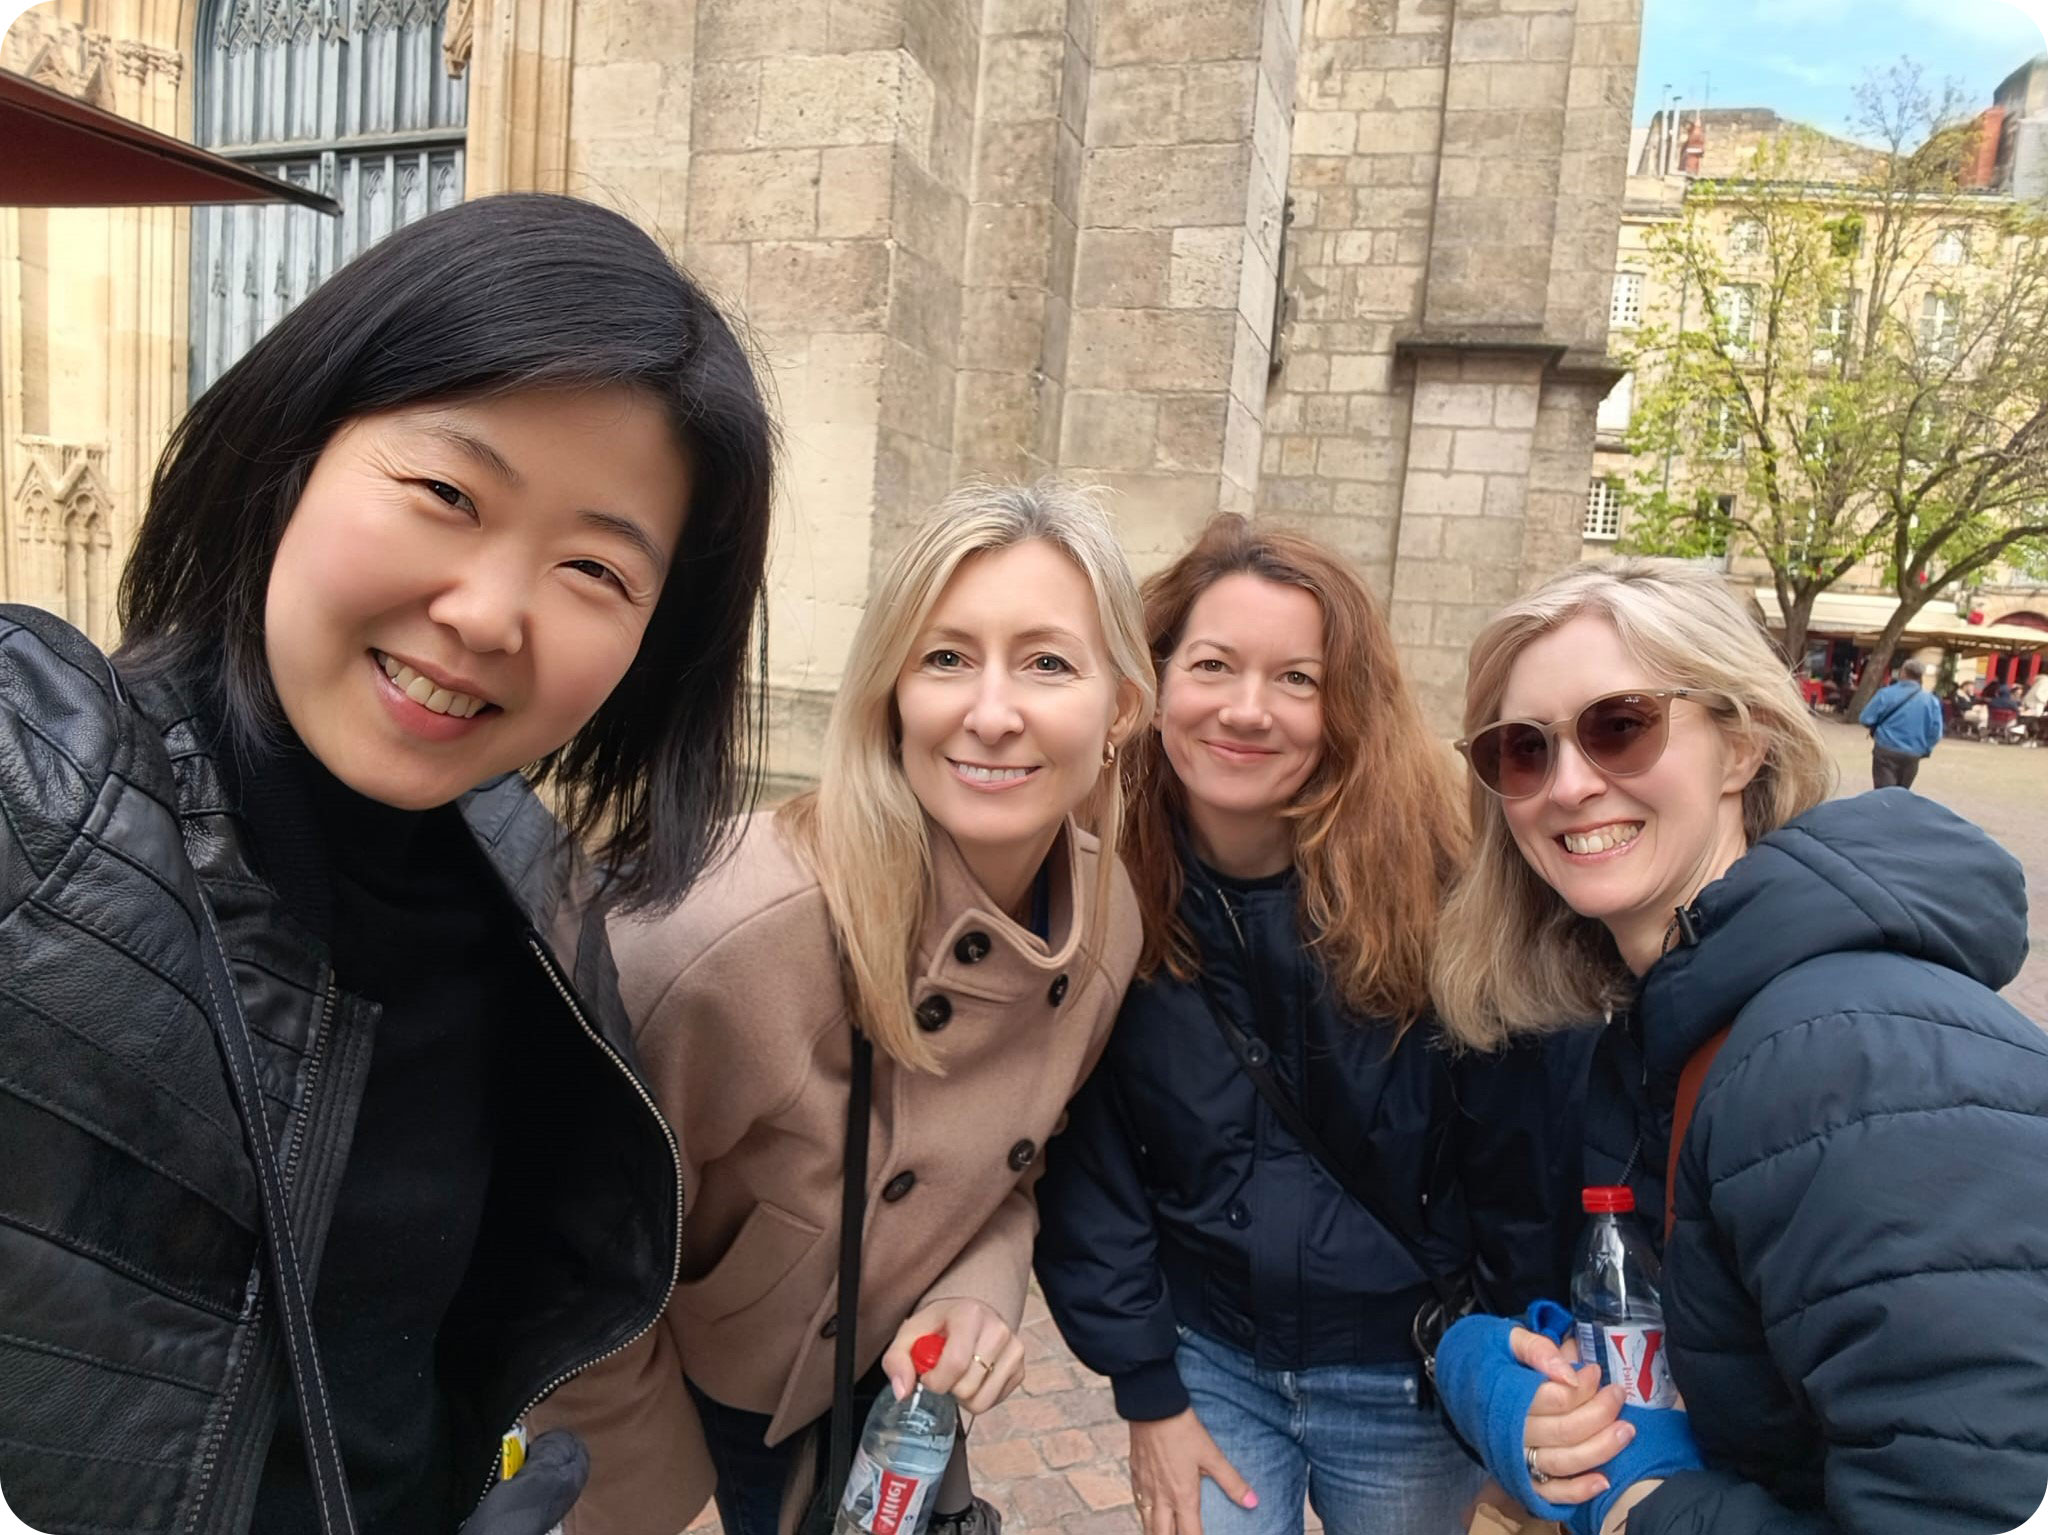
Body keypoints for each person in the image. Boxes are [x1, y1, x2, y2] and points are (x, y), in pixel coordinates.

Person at [0, 195, 776, 1534]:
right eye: (446, 495)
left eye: (594, 567)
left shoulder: (525, 899)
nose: (487, 614)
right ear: (292, 448)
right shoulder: (36, 798)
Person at [535, 483, 1155, 1535]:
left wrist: (976, 1287)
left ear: (1121, 710)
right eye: (945, 656)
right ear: (890, 692)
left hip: (891, 1397)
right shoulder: (721, 936)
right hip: (693, 1410)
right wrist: (657, 1498)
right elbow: (558, 1250)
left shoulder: (1106, 920)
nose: (990, 711)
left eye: (1047, 663)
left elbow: (1015, 1162)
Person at [1428, 557, 2048, 1535]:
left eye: (1619, 724)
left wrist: (1645, 1506)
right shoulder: (1661, 1027)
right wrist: (1512, 1383)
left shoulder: (1841, 1061)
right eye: (1521, 749)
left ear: (1740, 745)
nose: (1568, 784)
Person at [1033, 516, 1591, 1535]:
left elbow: (1516, 1146)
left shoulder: (1441, 891)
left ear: (1345, 706)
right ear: (1153, 680)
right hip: (1210, 1360)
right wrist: (1145, 1382)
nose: (1247, 709)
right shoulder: (1099, 892)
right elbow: (1089, 1158)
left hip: (1404, 1375)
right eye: (1212, 664)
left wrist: (1512, 1352)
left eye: (1297, 678)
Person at [1857, 657, 1943, 788]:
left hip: (1886, 748)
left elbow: (1865, 718)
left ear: (1903, 672)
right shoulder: (1931, 701)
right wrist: (1925, 748)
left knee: (1883, 792)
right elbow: (1936, 732)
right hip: (1913, 753)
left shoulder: (1885, 694)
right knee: (1902, 793)